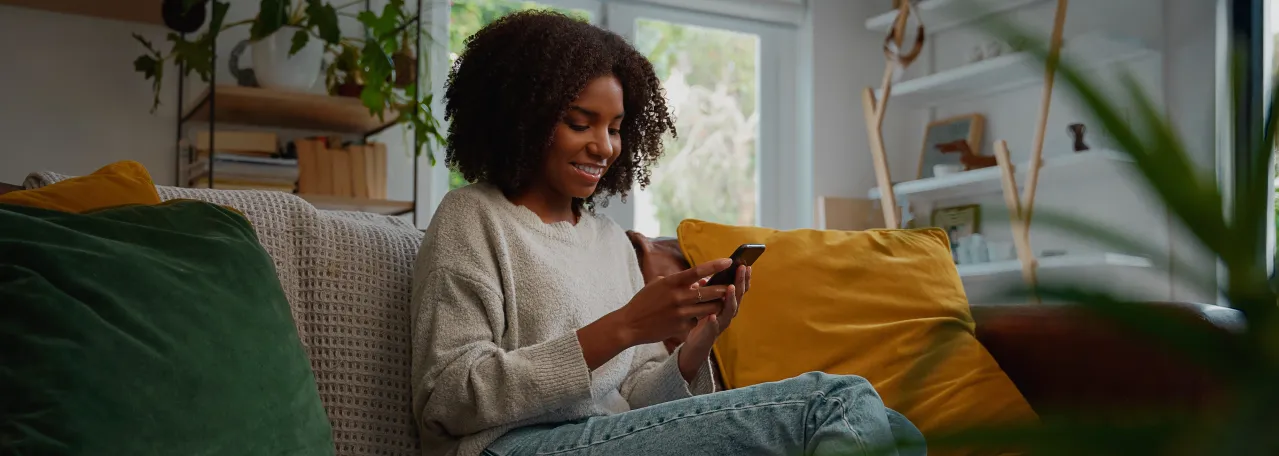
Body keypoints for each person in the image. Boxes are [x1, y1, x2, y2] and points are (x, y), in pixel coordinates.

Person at [410, 10, 926, 456]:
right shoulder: (472, 217)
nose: (603, 147)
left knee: (895, 429)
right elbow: (449, 396)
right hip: (513, 445)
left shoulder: (609, 241)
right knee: (839, 403)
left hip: (606, 436)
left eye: (614, 128)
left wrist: (700, 339)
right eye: (580, 122)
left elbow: (635, 396)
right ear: (523, 117)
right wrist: (625, 325)